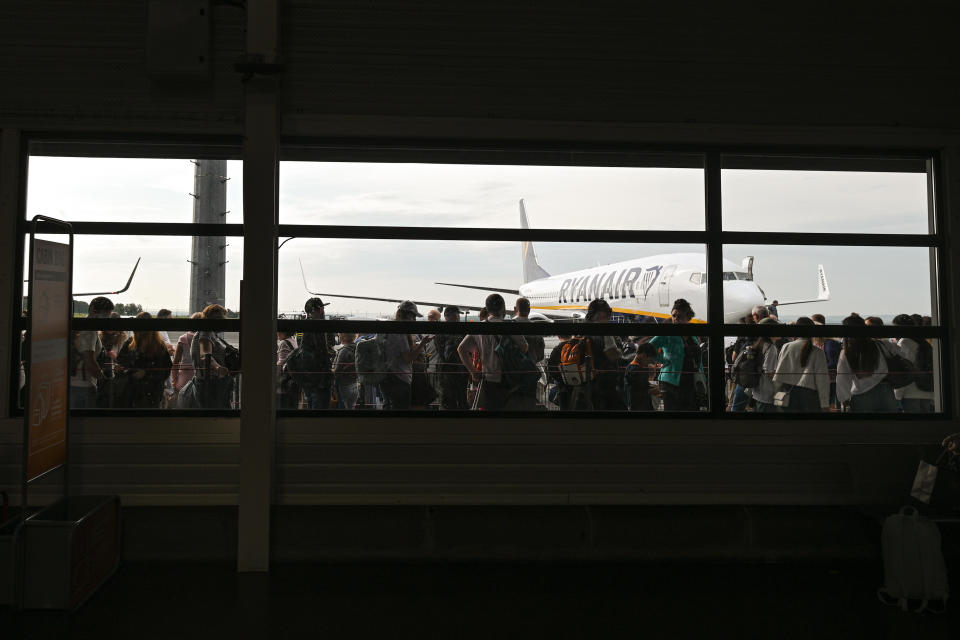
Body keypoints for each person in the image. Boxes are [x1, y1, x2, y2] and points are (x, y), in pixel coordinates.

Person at [458, 293, 528, 411]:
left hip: (487, 380)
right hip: (508, 380)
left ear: (488, 308)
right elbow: (524, 347)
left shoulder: (479, 327)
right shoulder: (509, 326)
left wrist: (473, 371)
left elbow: (461, 349)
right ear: (503, 307)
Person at [835, 314, 898, 412]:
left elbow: (842, 378)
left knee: (865, 426)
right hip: (887, 391)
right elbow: (900, 353)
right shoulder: (880, 345)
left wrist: (844, 399)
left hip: (862, 394)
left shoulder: (847, 352)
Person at [649, 299, 703, 411]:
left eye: (679, 316)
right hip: (670, 381)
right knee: (673, 416)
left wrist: (702, 376)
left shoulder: (693, 337)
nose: (675, 319)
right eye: (673, 316)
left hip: (690, 381)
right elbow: (649, 347)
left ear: (688, 317)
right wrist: (663, 361)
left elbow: (698, 359)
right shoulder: (668, 333)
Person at [381, 301, 433, 409]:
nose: (414, 320)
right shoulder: (400, 333)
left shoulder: (390, 329)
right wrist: (422, 344)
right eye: (414, 317)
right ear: (408, 315)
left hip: (387, 376)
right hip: (400, 378)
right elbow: (407, 358)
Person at [772, 316, 829, 412]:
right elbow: (822, 380)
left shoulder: (786, 347)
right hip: (810, 397)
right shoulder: (818, 352)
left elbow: (779, 372)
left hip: (787, 394)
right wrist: (825, 404)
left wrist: (775, 393)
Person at [116, 311, 172, 408]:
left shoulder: (159, 346)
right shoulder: (130, 343)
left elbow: (166, 370)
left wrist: (146, 373)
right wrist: (120, 369)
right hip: (133, 394)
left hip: (150, 395)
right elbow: (121, 361)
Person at [70, 296, 114, 409]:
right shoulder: (89, 331)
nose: (108, 319)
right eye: (106, 315)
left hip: (72, 383)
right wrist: (103, 379)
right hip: (84, 386)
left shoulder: (79, 326)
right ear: (95, 311)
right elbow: (90, 363)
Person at [190, 304, 237, 409]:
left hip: (215, 383)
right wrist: (218, 367)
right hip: (211, 384)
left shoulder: (211, 334)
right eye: (222, 318)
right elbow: (205, 355)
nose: (224, 321)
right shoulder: (205, 333)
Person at [581, 299, 624, 410]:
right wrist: (620, 352)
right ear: (601, 314)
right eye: (608, 313)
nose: (609, 317)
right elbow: (612, 354)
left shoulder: (581, 329)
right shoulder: (604, 330)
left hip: (585, 384)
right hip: (604, 385)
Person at [891, 314, 935, 413]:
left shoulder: (904, 342)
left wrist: (898, 394)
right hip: (926, 390)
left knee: (913, 426)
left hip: (910, 391)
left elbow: (904, 369)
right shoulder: (924, 343)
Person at [299, 297, 335, 410]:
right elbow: (325, 351)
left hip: (308, 378)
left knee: (311, 409)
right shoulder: (321, 327)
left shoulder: (303, 326)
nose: (324, 311)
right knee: (320, 414)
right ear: (319, 309)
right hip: (321, 380)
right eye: (322, 308)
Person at [434, 306, 468, 410]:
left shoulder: (439, 332)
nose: (458, 317)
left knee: (447, 403)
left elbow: (439, 351)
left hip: (445, 372)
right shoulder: (461, 332)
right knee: (461, 401)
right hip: (458, 371)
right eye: (457, 314)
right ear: (453, 315)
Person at [744, 317, 780, 412]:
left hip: (757, 391)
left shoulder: (760, 344)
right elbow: (768, 371)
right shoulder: (771, 348)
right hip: (767, 393)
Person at [172, 312, 202, 400]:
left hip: (183, 378)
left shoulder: (183, 338)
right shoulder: (204, 339)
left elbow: (176, 362)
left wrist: (174, 381)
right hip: (199, 377)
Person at [624, 341, 658, 411]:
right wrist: (652, 391)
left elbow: (642, 385)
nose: (649, 363)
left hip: (642, 405)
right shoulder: (635, 369)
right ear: (644, 355)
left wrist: (653, 386)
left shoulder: (636, 367)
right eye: (650, 359)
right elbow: (634, 392)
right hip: (638, 408)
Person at [546, 334, 575, 410]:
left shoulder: (558, 349)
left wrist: (560, 380)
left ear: (559, 337)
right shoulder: (577, 346)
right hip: (579, 384)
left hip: (563, 386)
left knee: (565, 407)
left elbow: (551, 368)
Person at [333, 332, 359, 409]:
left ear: (344, 337)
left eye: (339, 335)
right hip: (354, 383)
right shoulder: (357, 348)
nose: (339, 336)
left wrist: (331, 371)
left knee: (343, 407)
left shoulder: (344, 351)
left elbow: (337, 371)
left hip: (344, 385)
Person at [276, 329, 299, 409]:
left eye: (278, 331)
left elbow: (281, 362)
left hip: (285, 379)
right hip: (293, 378)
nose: (277, 333)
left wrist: (275, 379)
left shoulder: (283, 342)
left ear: (284, 332)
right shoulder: (293, 340)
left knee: (283, 404)